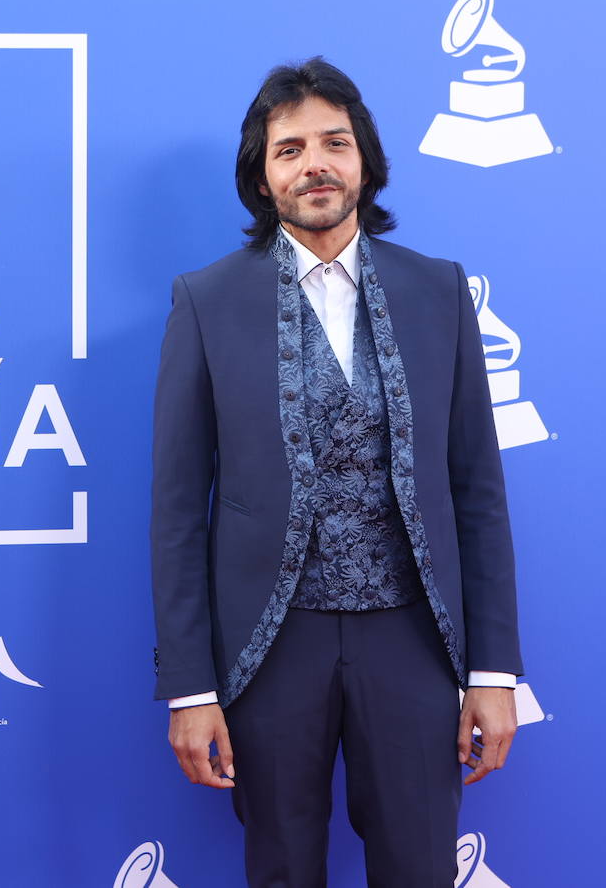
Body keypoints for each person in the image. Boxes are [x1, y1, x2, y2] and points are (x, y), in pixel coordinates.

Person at [149, 58, 524, 887]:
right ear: (261, 176)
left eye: (334, 143)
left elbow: (478, 492)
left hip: (413, 639)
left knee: (421, 866)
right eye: (289, 149)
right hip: (269, 646)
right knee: (281, 867)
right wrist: (189, 688)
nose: (314, 163)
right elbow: (178, 511)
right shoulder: (206, 303)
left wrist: (493, 673)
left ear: (364, 162)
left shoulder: (438, 291)